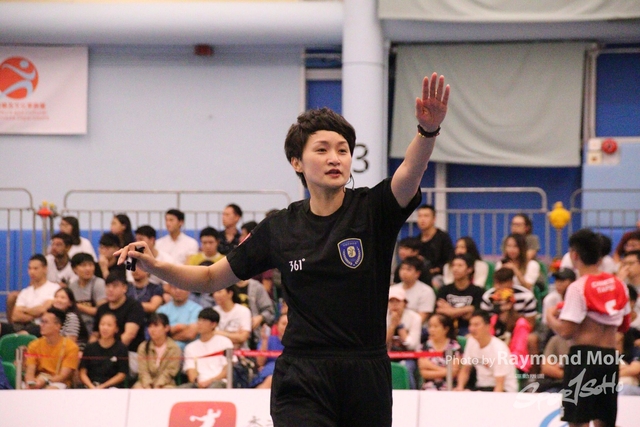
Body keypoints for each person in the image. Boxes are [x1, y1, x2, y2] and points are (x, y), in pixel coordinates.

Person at [116, 72, 449, 427]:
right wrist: (156, 266)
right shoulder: (278, 228)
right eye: (322, 149)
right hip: (302, 376)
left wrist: (427, 131)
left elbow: (410, 173)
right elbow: (212, 277)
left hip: (365, 375)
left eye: (343, 150)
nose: (335, 158)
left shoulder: (373, 210)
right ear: (297, 162)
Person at [546, 228, 631, 427]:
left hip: (583, 358)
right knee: (605, 421)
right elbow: (624, 325)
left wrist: (550, 317)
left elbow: (566, 332)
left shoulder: (578, 287)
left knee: (578, 421)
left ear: (574, 255)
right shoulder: (619, 284)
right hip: (609, 357)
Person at [480, 267, 537, 373]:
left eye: (502, 283)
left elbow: (530, 324)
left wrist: (511, 310)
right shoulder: (488, 298)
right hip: (494, 336)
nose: (499, 287)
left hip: (517, 334)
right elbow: (484, 325)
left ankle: (531, 375)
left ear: (511, 283)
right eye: (497, 283)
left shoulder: (526, 296)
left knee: (531, 338)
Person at [92, 273, 146, 375]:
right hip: (104, 352)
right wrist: (91, 351)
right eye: (108, 286)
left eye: (115, 286)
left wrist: (108, 353)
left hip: (130, 353)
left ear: (124, 288)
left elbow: (129, 336)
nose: (110, 290)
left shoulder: (134, 306)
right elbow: (95, 335)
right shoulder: (102, 309)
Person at [454, 310, 518, 392]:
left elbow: (500, 385)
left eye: (476, 325)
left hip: (503, 390)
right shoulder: (471, 341)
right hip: (481, 388)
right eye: (471, 325)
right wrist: (460, 387)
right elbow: (465, 369)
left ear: (488, 327)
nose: (472, 328)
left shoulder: (499, 349)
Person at [24, 307, 79, 389]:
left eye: (45, 322)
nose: (41, 325)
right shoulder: (34, 344)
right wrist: (31, 382)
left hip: (59, 382)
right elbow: (30, 372)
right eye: (41, 321)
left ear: (57, 326)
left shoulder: (71, 347)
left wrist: (45, 381)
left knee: (51, 390)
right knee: (27, 389)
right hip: (38, 379)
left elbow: (63, 376)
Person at [181, 308, 234, 389]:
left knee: (214, 387)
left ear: (213, 324)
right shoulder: (190, 347)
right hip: (199, 384)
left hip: (219, 382)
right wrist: (198, 382)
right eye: (199, 320)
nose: (200, 323)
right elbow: (191, 371)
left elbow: (227, 369)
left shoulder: (225, 342)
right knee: (180, 390)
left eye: (204, 321)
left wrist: (209, 381)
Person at [11, 254, 60, 336]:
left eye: (35, 268)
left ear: (45, 269)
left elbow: (42, 309)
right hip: (20, 325)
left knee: (23, 334)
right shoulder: (25, 292)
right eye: (29, 268)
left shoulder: (54, 288)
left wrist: (24, 310)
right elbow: (15, 316)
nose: (32, 272)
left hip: (40, 326)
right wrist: (35, 315)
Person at [436, 254, 485, 336]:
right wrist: (467, 309)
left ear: (469, 269)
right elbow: (439, 311)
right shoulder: (444, 290)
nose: (455, 269)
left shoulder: (478, 291)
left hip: (469, 329)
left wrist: (450, 311)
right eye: (453, 265)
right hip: (446, 328)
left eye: (460, 266)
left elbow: (475, 315)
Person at [79, 312, 129, 388]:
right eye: (102, 324)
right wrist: (91, 386)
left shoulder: (121, 348)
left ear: (116, 329)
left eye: (109, 325)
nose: (105, 328)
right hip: (91, 386)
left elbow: (122, 374)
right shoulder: (90, 347)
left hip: (112, 387)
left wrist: (103, 386)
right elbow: (83, 372)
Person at [386, 286, 422, 389]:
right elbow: (382, 344)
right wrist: (392, 326)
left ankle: (411, 394)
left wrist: (399, 325)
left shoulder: (415, 318)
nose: (394, 305)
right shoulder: (383, 317)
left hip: (409, 356)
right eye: (391, 301)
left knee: (406, 368)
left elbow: (411, 345)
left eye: (397, 301)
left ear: (405, 303)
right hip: (387, 355)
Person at [133, 313, 182, 389]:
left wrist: (158, 385)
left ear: (166, 328)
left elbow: (170, 372)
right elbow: (143, 371)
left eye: (156, 326)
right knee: (138, 389)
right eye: (150, 326)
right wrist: (148, 385)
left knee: (167, 391)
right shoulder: (143, 347)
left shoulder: (174, 348)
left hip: (166, 383)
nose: (152, 330)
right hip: (145, 383)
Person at [415, 204, 455, 287]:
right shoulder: (416, 240)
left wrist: (435, 270)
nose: (422, 219)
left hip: (439, 276)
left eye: (426, 216)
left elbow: (449, 260)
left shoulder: (443, 238)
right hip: (419, 275)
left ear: (434, 219)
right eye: (420, 216)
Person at [418, 313, 461, 390]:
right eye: (430, 326)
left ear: (446, 329)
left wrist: (430, 366)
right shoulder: (424, 347)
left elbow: (454, 372)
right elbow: (424, 373)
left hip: (450, 388)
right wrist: (447, 371)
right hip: (429, 388)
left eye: (435, 326)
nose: (432, 330)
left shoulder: (454, 347)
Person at [68, 252, 107, 335]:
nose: (88, 268)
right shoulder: (72, 286)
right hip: (76, 326)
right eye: (83, 265)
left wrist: (77, 306)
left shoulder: (99, 283)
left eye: (90, 265)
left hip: (94, 327)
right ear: (74, 269)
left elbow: (102, 311)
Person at [231, 278, 276, 349]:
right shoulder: (226, 286)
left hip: (255, 333)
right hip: (233, 331)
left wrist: (260, 317)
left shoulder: (257, 287)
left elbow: (270, 311)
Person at [389, 256, 436, 324]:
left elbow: (421, 318)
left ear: (417, 273)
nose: (404, 272)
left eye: (408, 269)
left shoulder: (426, 291)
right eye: (402, 269)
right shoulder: (392, 289)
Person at [157, 284, 202, 351]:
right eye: (174, 288)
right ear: (169, 289)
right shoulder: (161, 310)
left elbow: (190, 334)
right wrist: (179, 327)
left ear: (189, 291)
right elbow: (157, 334)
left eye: (182, 288)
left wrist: (168, 334)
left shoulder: (197, 309)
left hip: (190, 352)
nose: (178, 291)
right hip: (165, 352)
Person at [252, 314, 287, 389]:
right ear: (277, 326)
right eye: (283, 324)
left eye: (289, 324)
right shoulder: (268, 340)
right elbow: (260, 362)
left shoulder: (297, 343)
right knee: (271, 380)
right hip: (269, 373)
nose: (286, 327)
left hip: (288, 374)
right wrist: (265, 340)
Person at [619, 250, 640, 329]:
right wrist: (619, 281)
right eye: (624, 264)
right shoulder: (620, 283)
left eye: (631, 263)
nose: (627, 267)